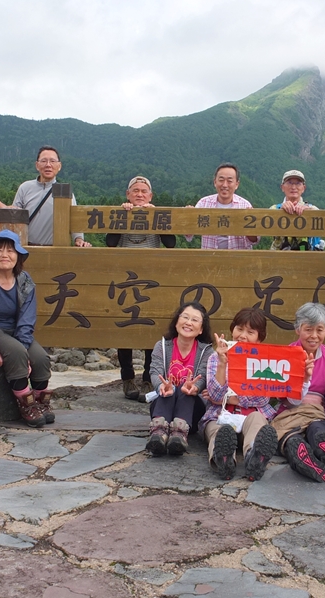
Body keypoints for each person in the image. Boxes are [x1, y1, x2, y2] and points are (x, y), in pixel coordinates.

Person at [106, 176, 176, 401]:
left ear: (150, 196)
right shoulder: (121, 212)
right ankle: (127, 377)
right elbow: (110, 242)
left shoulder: (157, 215)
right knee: (124, 326)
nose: (139, 194)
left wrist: (156, 217)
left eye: (144, 191)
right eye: (135, 190)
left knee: (151, 326)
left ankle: (148, 376)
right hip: (125, 278)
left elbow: (171, 243)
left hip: (152, 277)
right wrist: (122, 216)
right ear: (128, 195)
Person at [0, 230, 53, 428]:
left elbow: (27, 318)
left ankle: (40, 402)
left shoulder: (25, 280)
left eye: (10, 251)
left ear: (18, 255)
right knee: (17, 352)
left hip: (16, 330)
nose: (4, 255)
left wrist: (25, 345)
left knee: (41, 358)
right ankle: (26, 404)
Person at [271, 303, 325, 483]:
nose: (314, 336)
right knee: (291, 437)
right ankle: (305, 457)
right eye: (308, 329)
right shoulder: (286, 355)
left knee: (318, 431)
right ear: (298, 329)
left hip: (315, 412)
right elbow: (292, 400)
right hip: (290, 408)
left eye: (319, 330)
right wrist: (305, 379)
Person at [201, 308, 279, 481]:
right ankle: (223, 460)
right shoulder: (215, 357)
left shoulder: (264, 360)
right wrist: (222, 364)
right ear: (232, 329)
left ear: (259, 338)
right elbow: (215, 396)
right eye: (239, 329)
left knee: (258, 420)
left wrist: (230, 398)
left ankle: (254, 457)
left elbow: (262, 398)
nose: (242, 336)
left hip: (250, 415)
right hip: (220, 415)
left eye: (250, 332)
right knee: (218, 432)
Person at [147, 302, 214, 456]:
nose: (188, 322)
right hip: (163, 407)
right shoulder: (162, 346)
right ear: (177, 321)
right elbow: (155, 371)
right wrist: (161, 386)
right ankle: (158, 434)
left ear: (201, 329)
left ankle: (179, 434)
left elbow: (203, 376)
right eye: (185, 317)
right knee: (170, 390)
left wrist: (195, 387)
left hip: (192, 413)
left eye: (195, 320)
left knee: (186, 390)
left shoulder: (207, 352)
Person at [12, 145, 91, 247]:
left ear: (59, 166)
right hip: (25, 248)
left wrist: (78, 239)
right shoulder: (25, 188)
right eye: (44, 161)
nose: (48, 165)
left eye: (52, 161)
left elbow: (74, 219)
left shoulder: (64, 192)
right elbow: (13, 217)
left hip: (53, 250)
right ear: (37, 165)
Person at [189, 163, 258, 249]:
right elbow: (189, 234)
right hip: (210, 256)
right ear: (215, 182)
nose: (225, 185)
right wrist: (188, 216)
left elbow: (254, 240)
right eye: (221, 180)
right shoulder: (203, 203)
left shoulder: (245, 205)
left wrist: (248, 227)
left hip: (237, 256)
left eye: (229, 181)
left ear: (236, 184)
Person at [270, 170, 324, 251]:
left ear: (303, 188)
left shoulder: (312, 208)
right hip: (278, 257)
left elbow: (323, 218)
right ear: (282, 187)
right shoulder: (274, 209)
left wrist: (308, 212)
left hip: (306, 257)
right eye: (289, 183)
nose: (293, 187)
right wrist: (281, 212)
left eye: (298, 183)